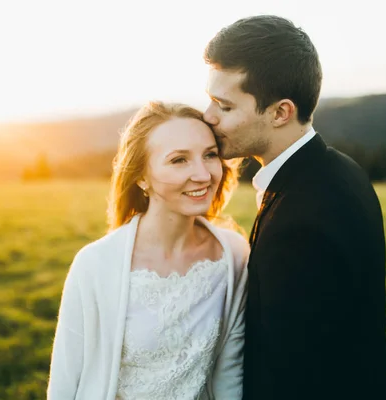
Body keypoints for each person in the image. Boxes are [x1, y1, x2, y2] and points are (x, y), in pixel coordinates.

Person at [203, 15, 386, 399]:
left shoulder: (300, 221)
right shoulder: (341, 169)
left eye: (223, 106)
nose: (208, 117)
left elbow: (292, 370)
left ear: (280, 112)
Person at [47, 101, 249, 400]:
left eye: (210, 155)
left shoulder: (233, 255)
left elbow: (230, 372)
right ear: (142, 177)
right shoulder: (94, 265)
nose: (204, 175)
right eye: (179, 160)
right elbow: (64, 385)